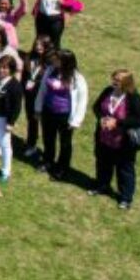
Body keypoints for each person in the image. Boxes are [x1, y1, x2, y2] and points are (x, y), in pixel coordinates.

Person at [90, 69, 140, 211]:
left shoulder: (133, 97)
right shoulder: (107, 91)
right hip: (104, 137)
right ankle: (102, 186)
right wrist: (102, 118)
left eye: (119, 80)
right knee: (103, 164)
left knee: (125, 170)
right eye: (114, 78)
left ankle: (125, 198)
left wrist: (117, 123)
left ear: (127, 82)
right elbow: (96, 107)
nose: (115, 81)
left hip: (124, 142)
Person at [34, 50, 88, 181]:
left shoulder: (77, 78)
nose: (54, 61)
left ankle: (62, 168)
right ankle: (48, 161)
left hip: (64, 115)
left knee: (65, 143)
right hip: (48, 111)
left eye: (57, 59)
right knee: (48, 138)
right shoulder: (50, 70)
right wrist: (38, 108)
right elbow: (42, 89)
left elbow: (82, 100)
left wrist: (76, 121)